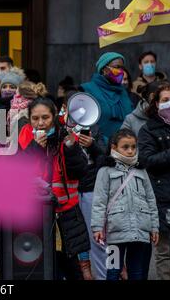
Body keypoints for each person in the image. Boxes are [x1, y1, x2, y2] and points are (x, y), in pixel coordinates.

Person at [18, 97, 89, 280]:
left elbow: (80, 171)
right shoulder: (25, 136)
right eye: (35, 118)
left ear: (54, 117)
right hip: (38, 214)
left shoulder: (65, 135)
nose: (40, 123)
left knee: (73, 269)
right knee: (44, 270)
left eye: (45, 117)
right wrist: (35, 148)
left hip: (66, 215)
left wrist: (71, 146)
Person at [92, 129, 159, 280]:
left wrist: (154, 226)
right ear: (114, 147)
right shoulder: (105, 170)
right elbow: (99, 201)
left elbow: (150, 200)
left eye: (133, 147)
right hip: (114, 232)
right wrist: (97, 227)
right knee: (113, 270)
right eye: (125, 147)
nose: (130, 151)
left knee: (136, 271)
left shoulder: (141, 170)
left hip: (139, 230)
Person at [138, 84, 170, 280]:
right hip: (163, 201)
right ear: (156, 104)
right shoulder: (148, 130)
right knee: (165, 254)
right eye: (165, 100)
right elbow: (147, 161)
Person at [60, 90, 107, 280]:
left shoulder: (93, 127)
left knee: (93, 231)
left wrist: (93, 145)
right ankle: (81, 269)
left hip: (88, 186)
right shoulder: (57, 125)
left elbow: (105, 158)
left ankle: (99, 271)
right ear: (64, 108)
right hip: (66, 188)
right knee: (71, 234)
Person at [81, 52, 133, 142]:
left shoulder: (123, 92)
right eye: (117, 67)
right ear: (104, 69)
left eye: (122, 68)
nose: (121, 71)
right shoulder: (88, 89)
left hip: (125, 148)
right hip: (98, 148)